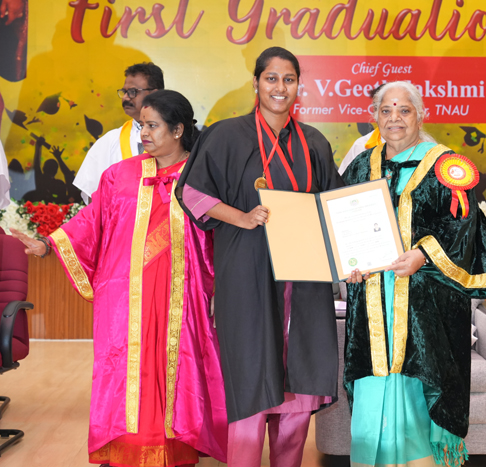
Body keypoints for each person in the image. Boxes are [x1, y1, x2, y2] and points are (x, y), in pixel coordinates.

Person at [11, 90, 228, 466]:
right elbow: (90, 220)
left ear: (178, 130)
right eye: (142, 125)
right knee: (129, 370)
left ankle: (175, 448)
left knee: (178, 368)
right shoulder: (120, 175)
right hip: (127, 300)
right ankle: (130, 448)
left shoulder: (204, 178)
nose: (143, 133)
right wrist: (46, 244)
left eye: (152, 126)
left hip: (182, 299)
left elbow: (221, 238)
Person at [176, 47, 343, 467]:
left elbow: (335, 207)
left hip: (304, 282)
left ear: (298, 85)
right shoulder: (225, 136)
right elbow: (191, 192)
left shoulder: (314, 142)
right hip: (246, 273)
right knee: (251, 380)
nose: (280, 88)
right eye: (271, 78)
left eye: (289, 79)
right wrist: (242, 217)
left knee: (299, 387)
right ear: (256, 83)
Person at [342, 81, 486, 467]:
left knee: (419, 382)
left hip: (425, 305)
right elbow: (343, 224)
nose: (395, 118)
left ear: (421, 115)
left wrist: (423, 254)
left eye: (404, 110)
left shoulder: (443, 165)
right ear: (374, 117)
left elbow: (465, 226)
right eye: (386, 110)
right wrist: (347, 263)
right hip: (372, 303)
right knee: (373, 380)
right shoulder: (360, 166)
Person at [73, 62, 164, 203]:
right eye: (124, 92)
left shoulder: (175, 138)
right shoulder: (109, 141)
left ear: (154, 94)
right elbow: (93, 197)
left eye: (133, 92)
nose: (125, 98)